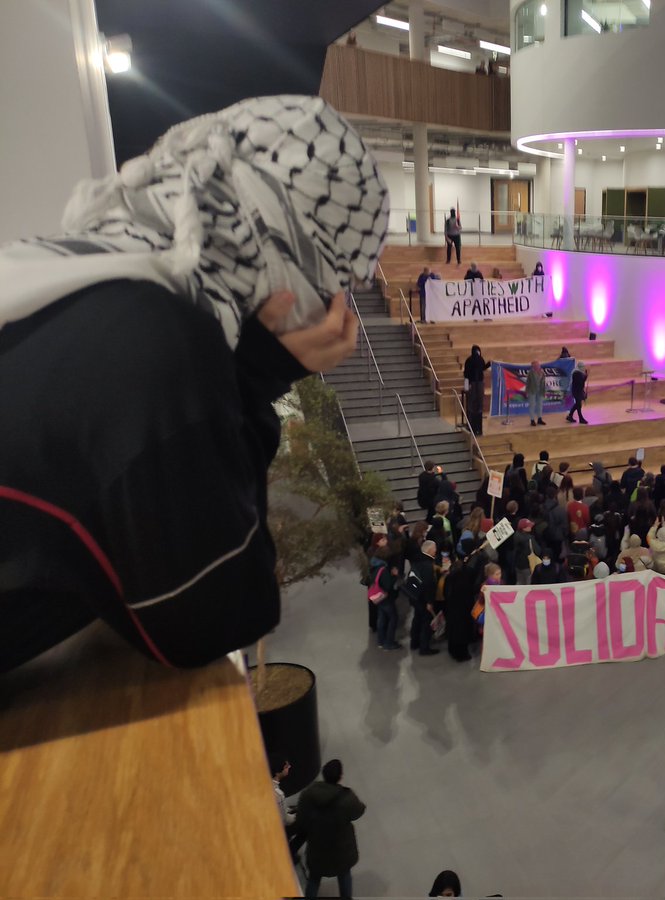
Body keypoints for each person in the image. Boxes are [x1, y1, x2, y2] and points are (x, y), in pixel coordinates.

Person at [0, 96, 388, 674]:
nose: (336, 309)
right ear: (284, 260)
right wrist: (258, 374)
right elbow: (226, 611)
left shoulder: (62, 273)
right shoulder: (159, 342)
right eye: (336, 283)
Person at [297, 759, 366, 900]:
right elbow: (358, 812)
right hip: (341, 848)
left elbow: (301, 820)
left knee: (314, 878)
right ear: (340, 777)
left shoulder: (308, 794)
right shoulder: (347, 798)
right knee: (344, 874)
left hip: (317, 847)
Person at [410, 540, 440, 656]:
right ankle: (424, 648)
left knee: (417, 618)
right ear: (429, 550)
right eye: (434, 548)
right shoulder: (428, 565)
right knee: (426, 622)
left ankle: (414, 642)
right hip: (423, 599)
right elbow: (428, 585)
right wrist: (429, 602)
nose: (436, 550)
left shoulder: (417, 560)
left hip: (414, 595)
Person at [463, 345, 490, 436]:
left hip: (475, 384)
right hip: (475, 385)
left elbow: (466, 374)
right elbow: (468, 374)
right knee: (476, 406)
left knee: (474, 406)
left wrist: (466, 386)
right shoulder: (477, 359)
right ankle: (476, 427)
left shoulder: (469, 360)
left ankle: (474, 427)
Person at [512, 518, 541, 585]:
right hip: (528, 566)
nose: (531, 526)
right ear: (524, 528)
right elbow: (538, 551)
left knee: (520, 583)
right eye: (529, 526)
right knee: (528, 585)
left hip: (518, 565)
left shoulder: (516, 535)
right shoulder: (529, 539)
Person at [526, 359, 547, 426]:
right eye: (536, 365)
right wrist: (527, 391)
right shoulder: (530, 373)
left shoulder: (542, 372)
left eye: (538, 365)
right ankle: (532, 420)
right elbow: (528, 383)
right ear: (533, 366)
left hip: (540, 391)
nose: (538, 366)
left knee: (540, 405)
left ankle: (539, 419)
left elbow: (543, 383)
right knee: (532, 405)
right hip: (532, 390)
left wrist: (544, 391)